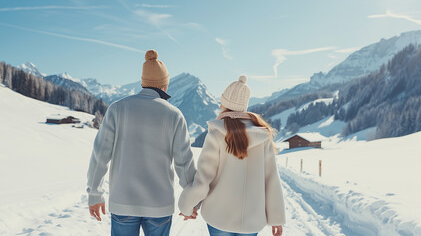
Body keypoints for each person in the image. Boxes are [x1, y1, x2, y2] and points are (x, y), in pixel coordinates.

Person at [86, 49, 198, 236]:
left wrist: (95, 194)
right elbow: (184, 163)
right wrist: (192, 201)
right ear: (165, 85)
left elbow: (100, 155)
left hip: (123, 203)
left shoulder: (117, 108)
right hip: (159, 206)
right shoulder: (174, 114)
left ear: (143, 82)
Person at [178, 75, 286, 236]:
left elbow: (204, 178)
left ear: (225, 104)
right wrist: (276, 218)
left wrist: (188, 206)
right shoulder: (263, 137)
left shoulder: (216, 134)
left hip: (219, 216)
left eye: (222, 101)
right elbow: (271, 179)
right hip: (251, 220)